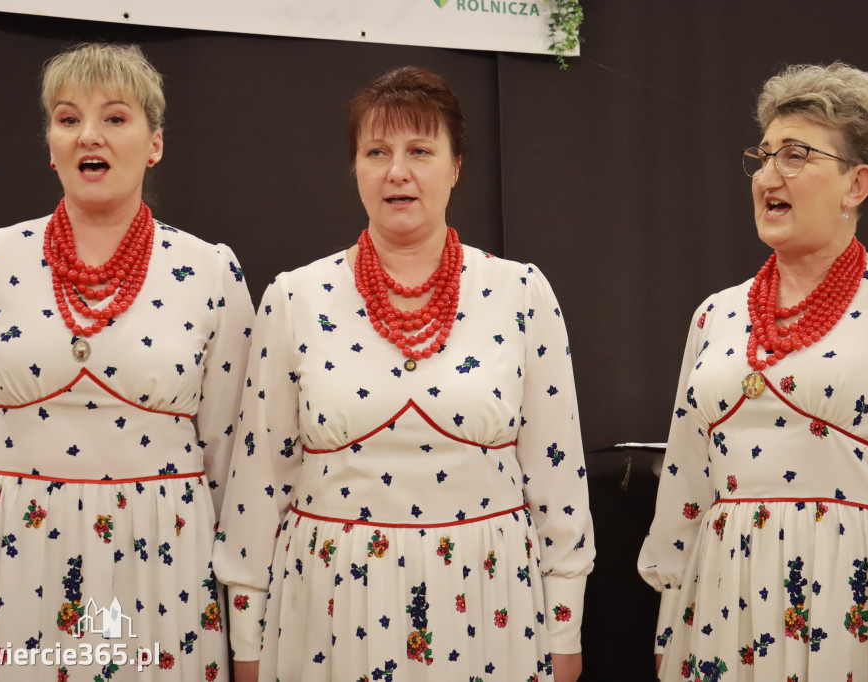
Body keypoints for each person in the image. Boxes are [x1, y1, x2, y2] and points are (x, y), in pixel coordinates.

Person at [213, 66, 594, 682]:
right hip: (331, 607)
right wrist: (248, 641)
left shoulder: (521, 292)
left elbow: (557, 476)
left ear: (456, 166)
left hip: (488, 603)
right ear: (355, 168)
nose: (397, 171)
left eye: (420, 150)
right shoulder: (294, 298)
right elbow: (258, 483)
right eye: (377, 152)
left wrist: (564, 628)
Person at [638, 61, 868, 681]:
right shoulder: (716, 314)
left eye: (795, 155)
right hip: (727, 603)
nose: (768, 176)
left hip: (864, 604)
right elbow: (685, 485)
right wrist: (670, 626)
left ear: (856, 184)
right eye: (763, 156)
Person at [0, 43, 253, 679]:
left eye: (114, 117)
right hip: (2, 554)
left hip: (158, 560)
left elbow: (232, 459)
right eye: (68, 118)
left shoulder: (211, 271)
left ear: (155, 143)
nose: (89, 135)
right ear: (50, 144)